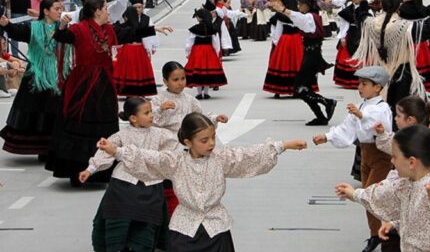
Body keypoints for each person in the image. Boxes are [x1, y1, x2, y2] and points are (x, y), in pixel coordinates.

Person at [95, 112, 307, 252]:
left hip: (217, 228)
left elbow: (248, 155)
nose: (211, 144)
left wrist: (284, 145)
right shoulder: (175, 161)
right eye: (204, 140)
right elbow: (148, 158)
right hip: (184, 230)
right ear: (187, 142)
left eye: (213, 138)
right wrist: (116, 150)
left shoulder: (221, 159)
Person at [45, 0, 156, 186]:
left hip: (104, 83)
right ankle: (77, 170)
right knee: (81, 119)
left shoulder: (109, 30)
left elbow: (131, 33)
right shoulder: (79, 28)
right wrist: (62, 26)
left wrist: (154, 29)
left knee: (104, 124)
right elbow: (61, 37)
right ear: (97, 11)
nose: (107, 12)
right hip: (83, 82)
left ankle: (102, 171)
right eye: (105, 8)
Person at [335, 125, 430, 252]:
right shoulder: (405, 184)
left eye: (395, 157)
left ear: (412, 162)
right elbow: (380, 195)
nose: (392, 161)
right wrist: (355, 194)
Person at [313, 66, 393, 252]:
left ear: (378, 88)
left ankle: (385, 233)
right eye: (359, 83)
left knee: (372, 197)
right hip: (364, 154)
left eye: (364, 84)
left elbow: (381, 124)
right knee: (368, 197)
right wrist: (326, 136)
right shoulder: (363, 106)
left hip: (381, 156)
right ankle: (375, 233)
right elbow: (346, 127)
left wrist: (361, 115)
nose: (360, 87)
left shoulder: (382, 107)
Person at [79, 98, 175, 252]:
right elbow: (106, 151)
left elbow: (171, 154)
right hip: (123, 183)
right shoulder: (121, 135)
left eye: (151, 111)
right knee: (118, 219)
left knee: (145, 224)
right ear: (133, 118)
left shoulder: (161, 134)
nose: (152, 115)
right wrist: (90, 170)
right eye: (147, 113)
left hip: (150, 183)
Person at [151, 61, 229, 217]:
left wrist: (214, 118)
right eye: (175, 80)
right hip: (167, 145)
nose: (180, 83)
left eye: (183, 78)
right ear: (165, 81)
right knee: (168, 180)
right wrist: (160, 109)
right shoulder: (158, 99)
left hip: (187, 146)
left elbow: (200, 117)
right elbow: (149, 119)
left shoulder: (190, 100)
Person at [0, 0, 72, 159]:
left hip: (57, 74)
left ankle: (53, 146)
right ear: (46, 11)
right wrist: (7, 25)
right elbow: (17, 32)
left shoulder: (62, 29)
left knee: (54, 110)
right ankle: (39, 147)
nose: (60, 11)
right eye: (57, 8)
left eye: (61, 8)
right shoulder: (33, 27)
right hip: (36, 75)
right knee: (36, 110)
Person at [268, 0, 336, 126]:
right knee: (305, 88)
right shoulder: (312, 16)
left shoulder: (310, 17)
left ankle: (327, 102)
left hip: (311, 58)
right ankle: (321, 117)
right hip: (311, 55)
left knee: (299, 88)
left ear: (308, 4)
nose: (298, 6)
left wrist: (283, 9)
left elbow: (298, 17)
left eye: (301, 4)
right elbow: (297, 18)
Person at [112, 6, 172, 97]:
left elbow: (119, 36)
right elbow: (142, 31)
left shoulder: (124, 27)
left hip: (128, 51)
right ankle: (140, 91)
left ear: (126, 16)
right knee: (140, 71)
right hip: (139, 51)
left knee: (129, 72)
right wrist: (156, 29)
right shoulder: (138, 27)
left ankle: (129, 92)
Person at [185, 8, 227, 100]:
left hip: (197, 51)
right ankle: (206, 93)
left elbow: (189, 43)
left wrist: (187, 52)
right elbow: (216, 43)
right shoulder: (212, 29)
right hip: (209, 51)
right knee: (208, 71)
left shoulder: (194, 28)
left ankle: (199, 93)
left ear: (200, 18)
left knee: (197, 71)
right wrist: (216, 52)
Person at [333, 0, 371, 89]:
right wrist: (342, 37)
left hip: (363, 34)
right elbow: (344, 24)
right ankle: (348, 80)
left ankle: (363, 79)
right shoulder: (348, 9)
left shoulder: (366, 8)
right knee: (347, 55)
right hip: (351, 33)